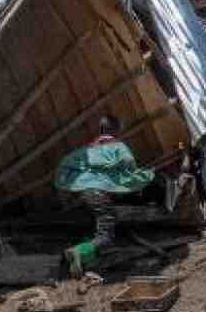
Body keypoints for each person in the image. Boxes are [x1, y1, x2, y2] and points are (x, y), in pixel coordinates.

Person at [54, 115, 153, 275]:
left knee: (95, 226)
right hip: (98, 194)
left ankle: (84, 262)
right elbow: (130, 166)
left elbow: (64, 166)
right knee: (106, 234)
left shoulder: (87, 150)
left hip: (81, 194)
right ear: (117, 131)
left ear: (101, 130)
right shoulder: (118, 146)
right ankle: (77, 252)